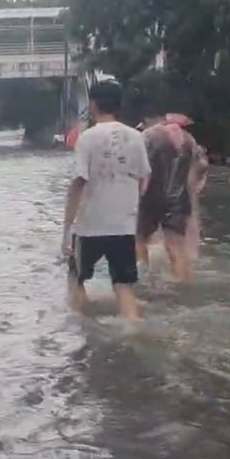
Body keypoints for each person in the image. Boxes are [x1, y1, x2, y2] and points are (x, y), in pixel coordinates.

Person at [61, 80, 151, 321]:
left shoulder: (87, 138)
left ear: (93, 104)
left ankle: (81, 331)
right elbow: (144, 178)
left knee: (75, 278)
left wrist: (67, 228)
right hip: (123, 225)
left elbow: (78, 183)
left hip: (90, 225)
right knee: (124, 286)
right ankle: (133, 330)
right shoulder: (136, 136)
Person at [137, 113, 208, 282]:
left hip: (149, 196)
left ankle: (142, 282)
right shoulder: (189, 140)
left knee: (139, 240)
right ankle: (182, 284)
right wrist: (195, 186)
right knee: (175, 246)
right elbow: (203, 165)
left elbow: (138, 167)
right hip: (178, 199)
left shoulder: (148, 136)